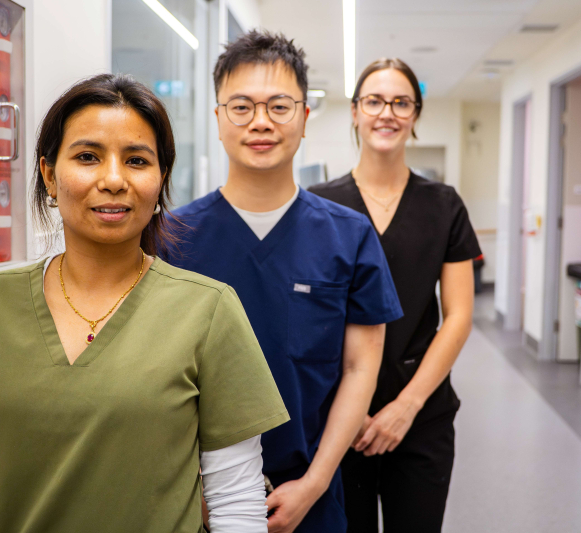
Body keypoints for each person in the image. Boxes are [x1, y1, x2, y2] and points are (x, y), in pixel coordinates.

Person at [0, 74, 289, 533]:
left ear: (160, 181)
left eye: (136, 160)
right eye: (88, 157)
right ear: (50, 175)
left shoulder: (209, 311)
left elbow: (235, 502)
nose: (113, 180)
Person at [168, 31, 403, 533]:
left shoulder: (350, 236)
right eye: (241, 107)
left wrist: (314, 485)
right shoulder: (172, 238)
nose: (260, 122)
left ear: (303, 117)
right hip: (192, 499)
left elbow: (361, 369)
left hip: (309, 497)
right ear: (216, 119)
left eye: (279, 106)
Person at [309, 58, 480, 533]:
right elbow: (310, 320)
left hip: (421, 414)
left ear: (415, 114)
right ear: (355, 112)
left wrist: (406, 407)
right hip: (338, 417)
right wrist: (350, 412)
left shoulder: (444, 205)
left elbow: (459, 316)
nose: (387, 112)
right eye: (375, 101)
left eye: (401, 102)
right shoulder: (320, 206)